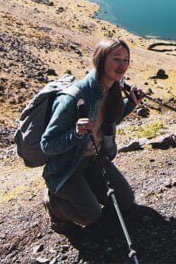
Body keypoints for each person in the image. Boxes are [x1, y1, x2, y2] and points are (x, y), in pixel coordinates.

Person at [40, 38, 145, 233]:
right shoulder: (74, 97)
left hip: (94, 161)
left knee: (125, 201)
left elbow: (106, 123)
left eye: (126, 60)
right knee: (90, 216)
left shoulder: (112, 90)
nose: (122, 65)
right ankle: (53, 202)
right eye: (116, 59)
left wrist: (130, 104)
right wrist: (76, 133)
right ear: (101, 60)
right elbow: (47, 144)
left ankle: (87, 191)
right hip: (67, 167)